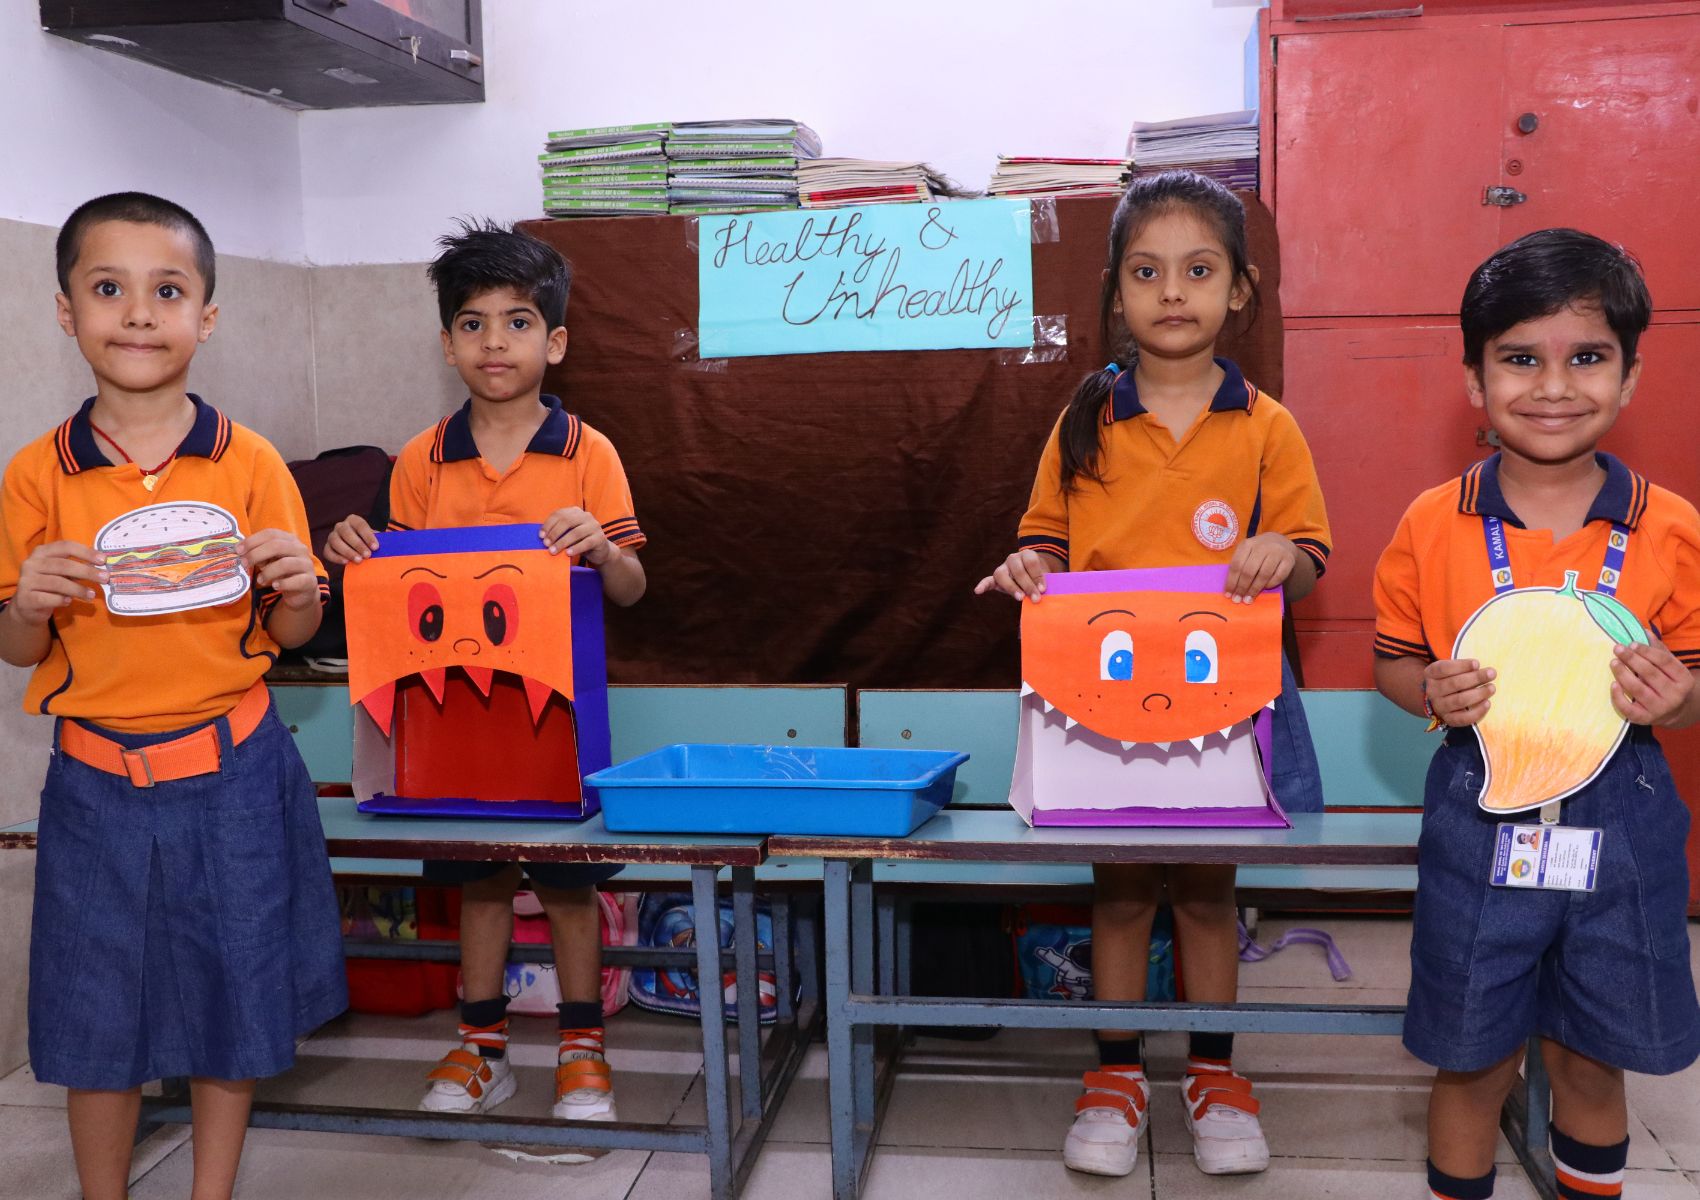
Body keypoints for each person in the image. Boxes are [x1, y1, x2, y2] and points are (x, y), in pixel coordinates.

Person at [976, 170, 1331, 1177]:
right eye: (1146, 272)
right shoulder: (1081, 420)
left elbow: (1309, 555)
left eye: (1198, 270)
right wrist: (1028, 568)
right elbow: (1044, 544)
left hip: (1226, 698)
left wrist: (1282, 555)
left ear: (1239, 291)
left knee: (1209, 894)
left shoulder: (1267, 424)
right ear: (1114, 294)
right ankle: (1116, 1073)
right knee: (1122, 891)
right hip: (1101, 698)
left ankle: (1215, 1075)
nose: (1172, 291)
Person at [0, 192, 346, 1200]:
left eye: (167, 291)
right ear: (66, 311)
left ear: (207, 316)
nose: (139, 314)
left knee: (235, 1002)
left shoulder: (252, 462)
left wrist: (302, 588)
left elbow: (290, 634)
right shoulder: (36, 475)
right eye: (109, 289)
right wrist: (26, 604)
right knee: (93, 1016)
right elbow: (16, 649)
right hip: (94, 783)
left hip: (236, 770)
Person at [1373, 228, 1700, 1200]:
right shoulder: (1431, 522)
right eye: (1519, 359)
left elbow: (1694, 685)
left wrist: (1680, 698)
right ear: (1473, 380)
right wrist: (1427, 691)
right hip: (1479, 821)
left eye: (1586, 357)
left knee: (1592, 1062)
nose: (1553, 387)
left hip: (1623, 826)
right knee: (1472, 1062)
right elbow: (1392, 663)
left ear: (1629, 376)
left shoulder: (1671, 529)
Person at [325, 219, 645, 1126]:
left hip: (557, 709)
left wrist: (601, 550)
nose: (494, 342)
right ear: (447, 343)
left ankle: (583, 1051)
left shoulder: (590, 452)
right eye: (472, 323)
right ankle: (482, 1047)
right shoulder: (421, 459)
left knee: (569, 882)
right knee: (481, 880)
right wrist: (352, 552)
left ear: (556, 342)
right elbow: (394, 588)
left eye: (516, 322)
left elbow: (631, 586)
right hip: (449, 713)